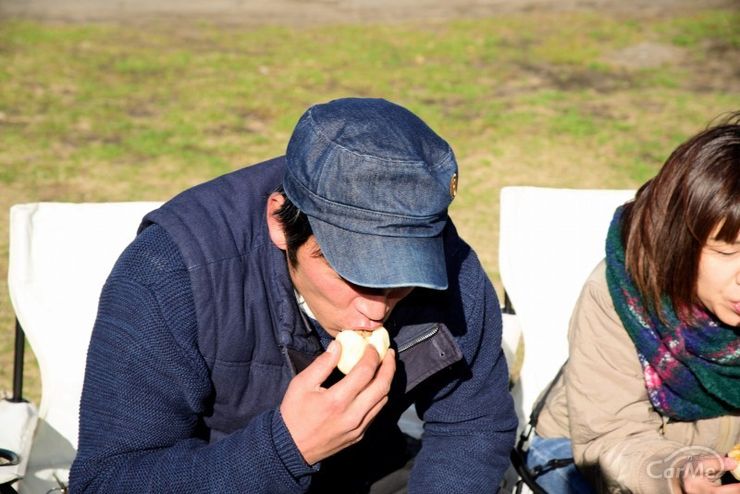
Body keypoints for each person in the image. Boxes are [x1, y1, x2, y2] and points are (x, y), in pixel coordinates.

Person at [69, 97, 517, 493]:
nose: (376, 308)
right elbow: (106, 479)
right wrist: (287, 447)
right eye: (353, 273)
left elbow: (472, 424)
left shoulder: (448, 264)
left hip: (371, 472)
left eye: (400, 277)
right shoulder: (172, 272)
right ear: (280, 222)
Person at [527, 113, 740, 493]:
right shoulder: (621, 294)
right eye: (725, 251)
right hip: (596, 454)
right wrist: (679, 474)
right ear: (681, 242)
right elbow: (609, 438)